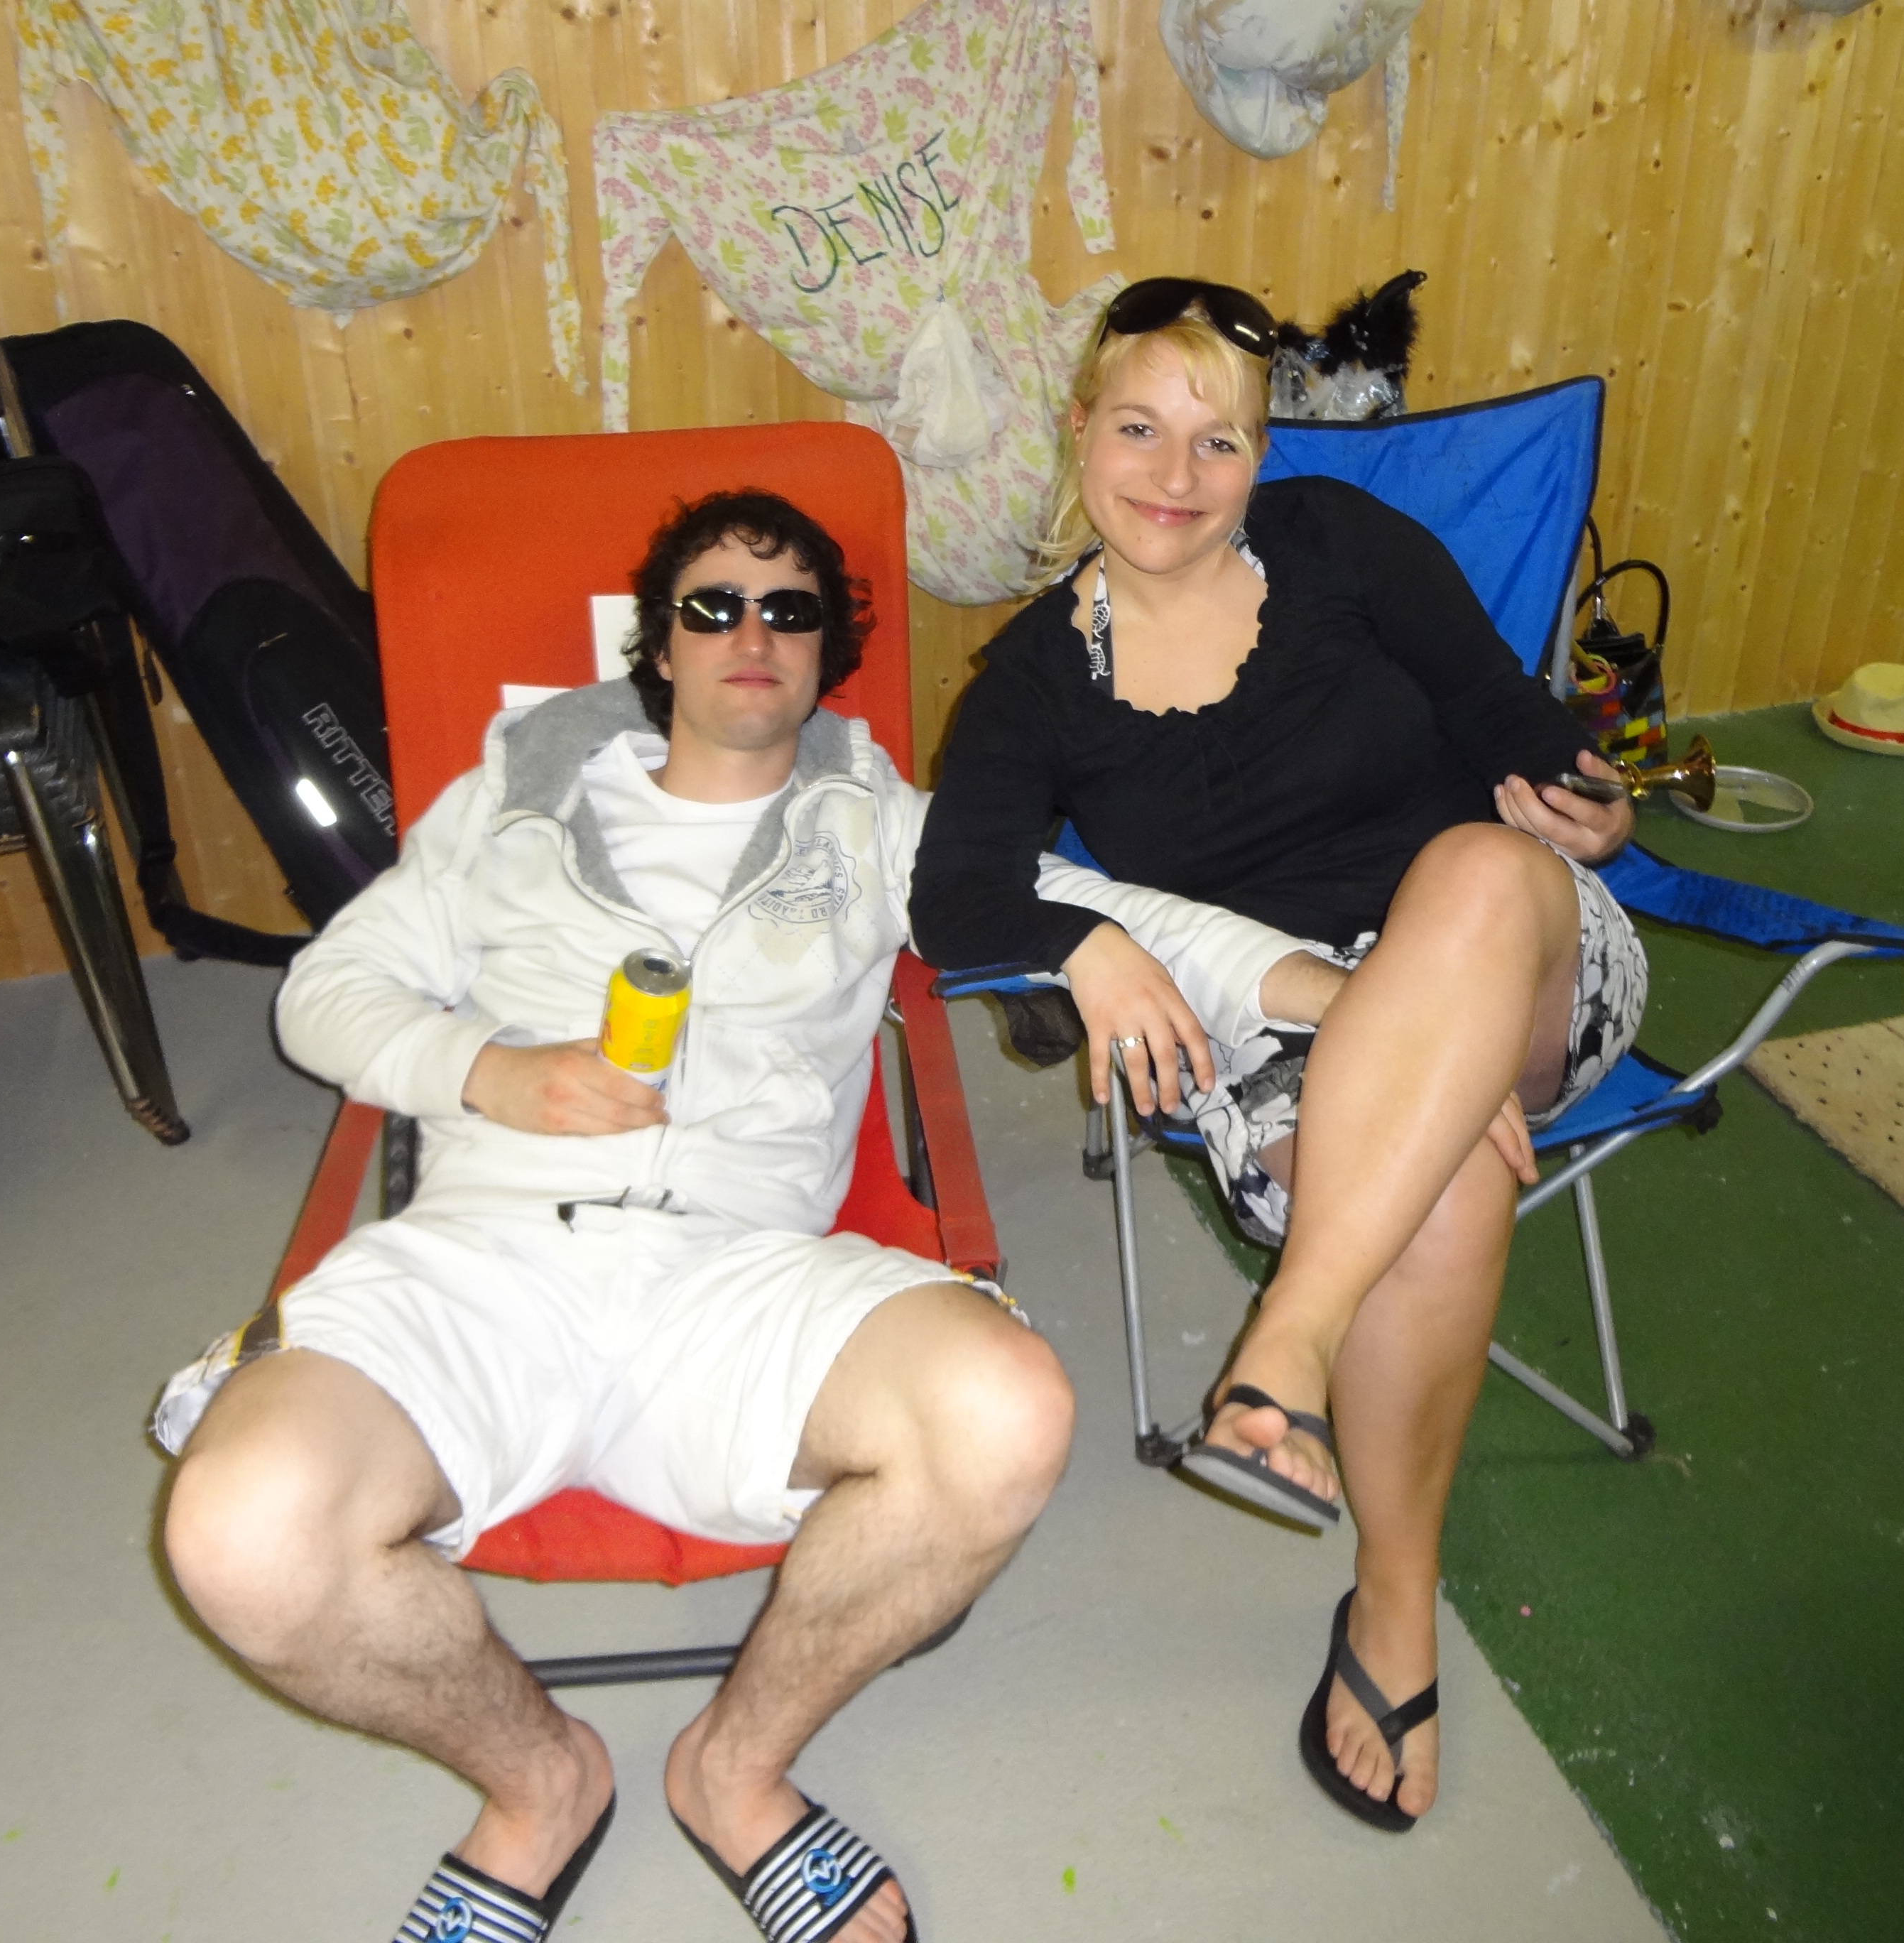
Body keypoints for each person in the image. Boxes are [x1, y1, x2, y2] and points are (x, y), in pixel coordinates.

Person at [151, 488, 1314, 1943]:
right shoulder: (518, 797)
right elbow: (327, 994)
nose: (751, 632)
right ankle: (539, 1787)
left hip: (738, 1281)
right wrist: (493, 1072)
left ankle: (736, 1769)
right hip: (484, 1262)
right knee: (241, 1535)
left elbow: (1130, 913)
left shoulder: (880, 824)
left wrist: (1329, 997)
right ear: (660, 644)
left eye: (791, 609)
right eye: (713, 606)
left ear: (828, 653)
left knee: (1006, 1413)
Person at [909, 279, 1650, 1834]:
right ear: (1080, 433)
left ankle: (1289, 1343)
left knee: (1472, 870)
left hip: (1522, 964)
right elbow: (956, 895)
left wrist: (1590, 801)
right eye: (1140, 430)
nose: (1176, 477)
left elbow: (1510, 719)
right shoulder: (1032, 680)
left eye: (1220, 442)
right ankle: (1395, 1597)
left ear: (1262, 456)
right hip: (1283, 1029)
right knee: (1441, 1190)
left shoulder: (1343, 546)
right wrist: (1082, 943)